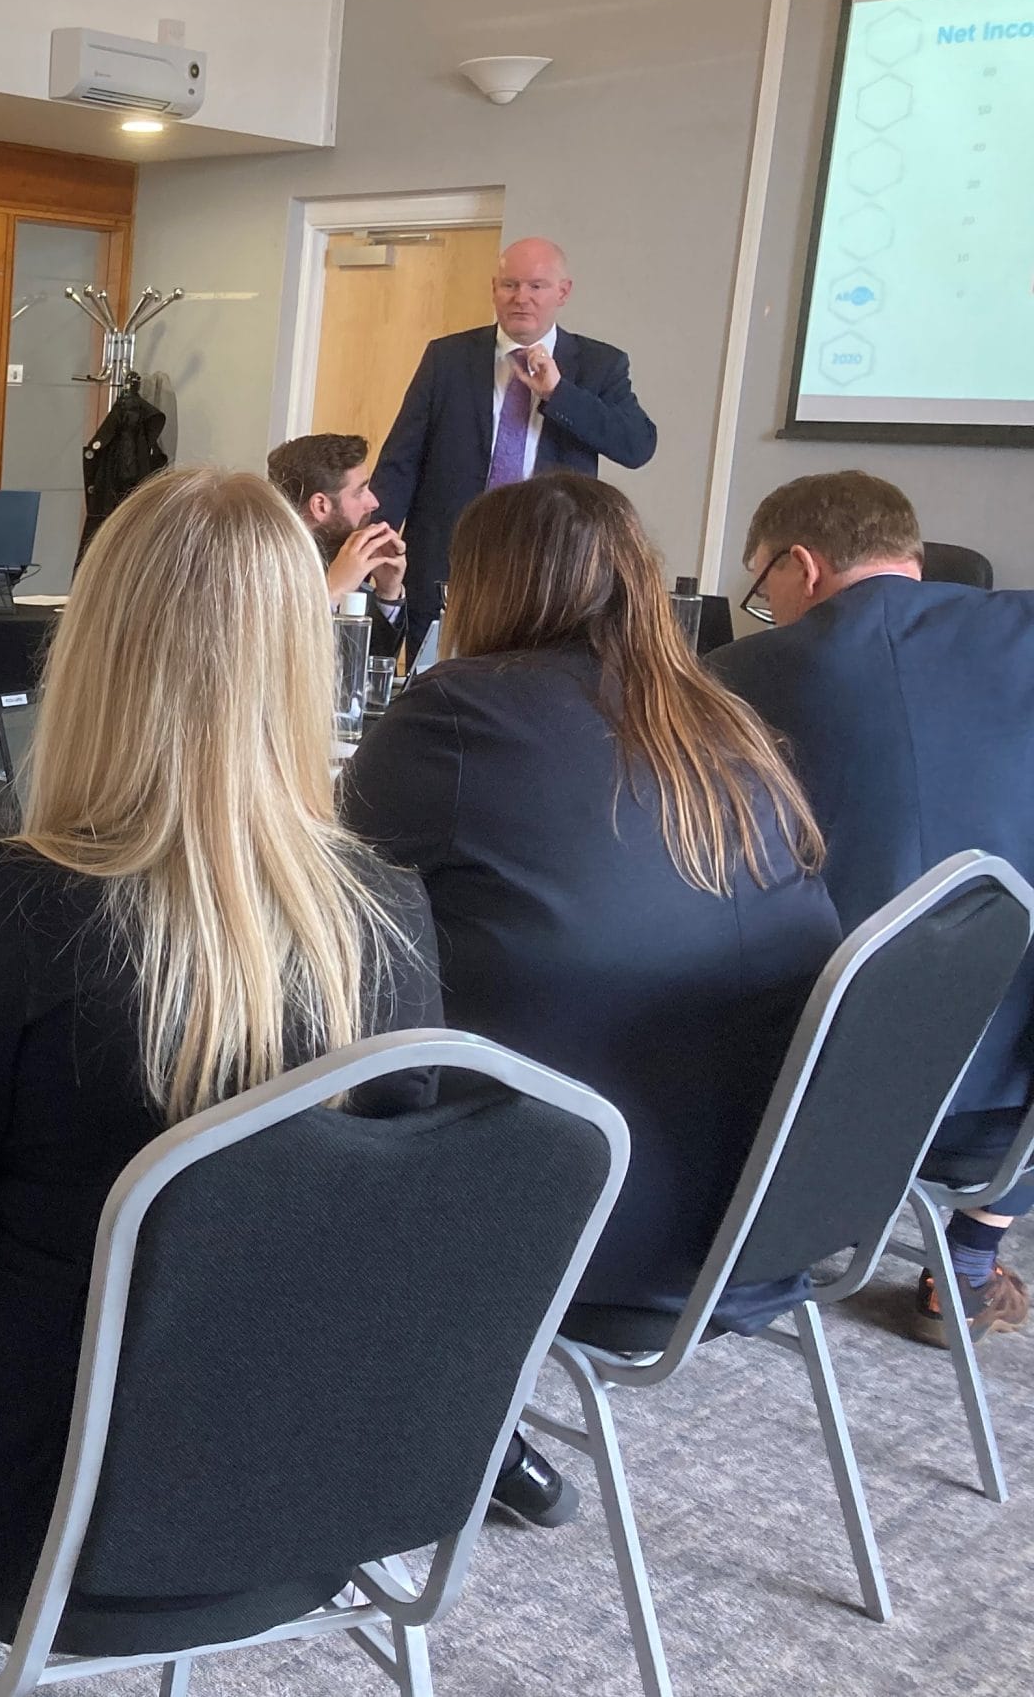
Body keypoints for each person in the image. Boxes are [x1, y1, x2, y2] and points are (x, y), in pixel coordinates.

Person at [0, 468, 443, 1693]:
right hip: (309, 1498)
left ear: (92, 653)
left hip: (40, 1522)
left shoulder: (16, 906)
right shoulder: (390, 912)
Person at [344, 474, 840, 1527]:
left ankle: (418, 1425)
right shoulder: (726, 723)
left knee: (282, 1070)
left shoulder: (459, 713)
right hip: (766, 1198)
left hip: (580, 1208)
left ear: (484, 584)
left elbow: (334, 906)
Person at [710, 472, 1034, 1340]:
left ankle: (734, 1257)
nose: (766, 604)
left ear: (803, 565)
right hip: (1008, 1106)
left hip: (828, 1106)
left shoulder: (738, 676)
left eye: (764, 583)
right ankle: (966, 1262)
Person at [368, 238, 659, 650]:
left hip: (549, 569)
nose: (521, 298)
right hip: (449, 560)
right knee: (437, 685)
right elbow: (401, 460)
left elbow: (637, 446)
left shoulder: (599, 364)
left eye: (536, 287)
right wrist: (372, 539)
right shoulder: (447, 358)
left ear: (563, 292)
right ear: (494, 289)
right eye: (510, 285)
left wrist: (559, 393)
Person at [266, 431, 412, 655]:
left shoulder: (339, 558)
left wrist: (388, 594)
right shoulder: (263, 569)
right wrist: (332, 591)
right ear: (321, 506)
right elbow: (273, 659)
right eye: (360, 491)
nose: (373, 502)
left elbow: (368, 675)